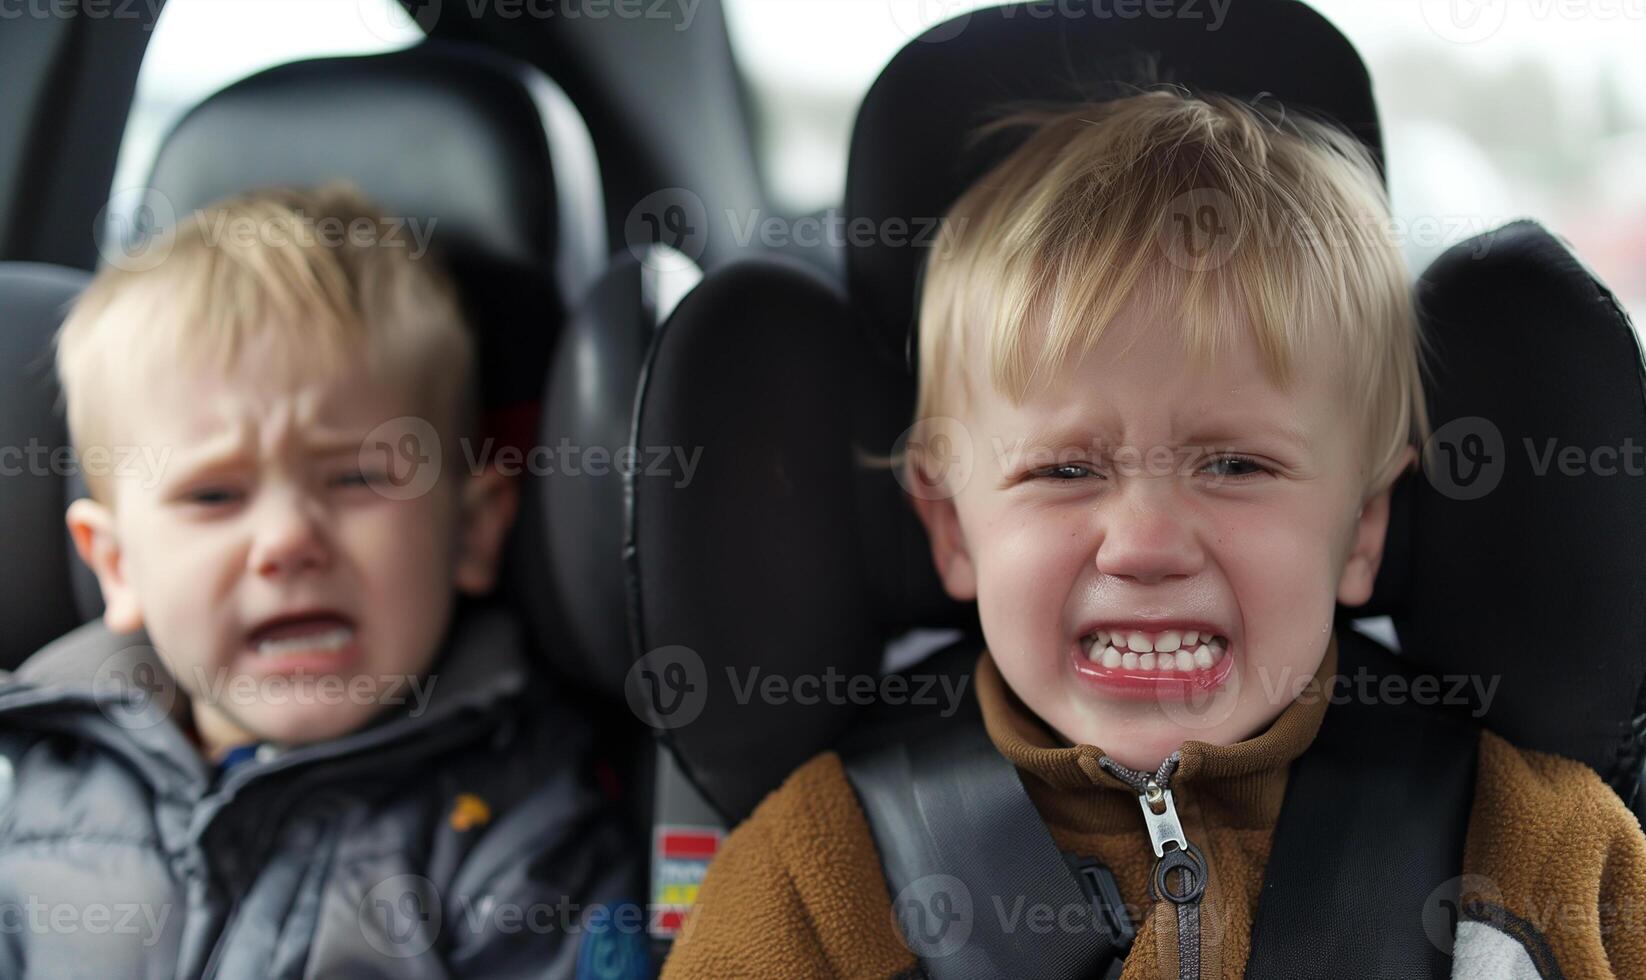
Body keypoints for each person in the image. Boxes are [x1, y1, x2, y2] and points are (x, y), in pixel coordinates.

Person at [661, 89, 1646, 978]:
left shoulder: (1534, 856)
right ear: (950, 526)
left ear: (1361, 527)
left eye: (1233, 464)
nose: (1141, 542)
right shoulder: (822, 876)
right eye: (1063, 468)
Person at [0, 185, 648, 979]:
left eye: (355, 478)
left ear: (473, 530)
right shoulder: (25, 784)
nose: (287, 540)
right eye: (214, 495)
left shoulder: (522, 832)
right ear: (118, 565)